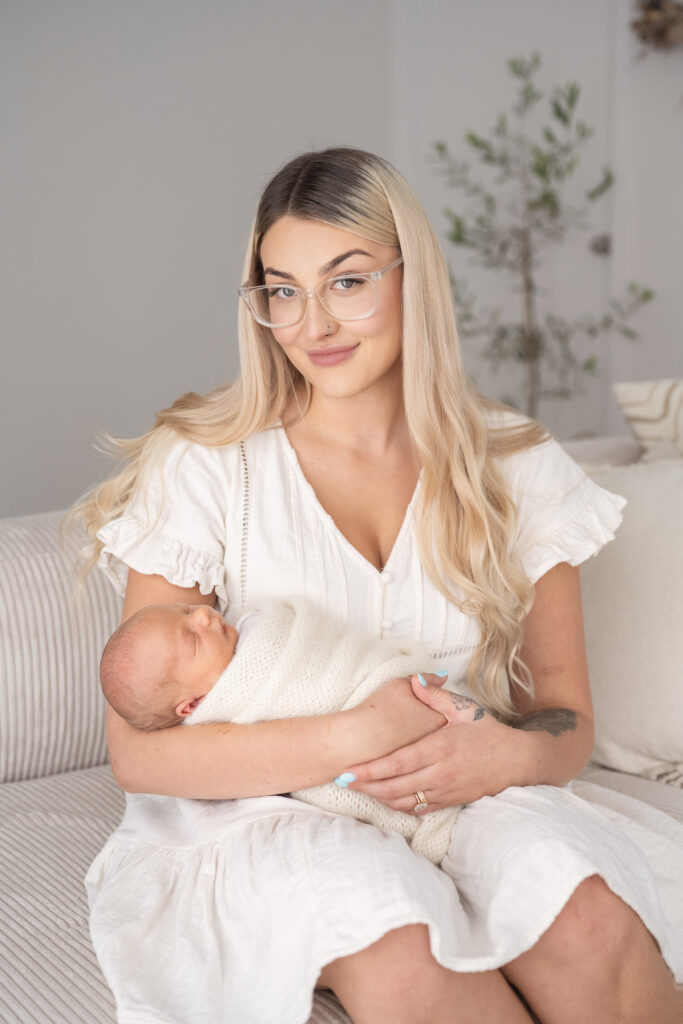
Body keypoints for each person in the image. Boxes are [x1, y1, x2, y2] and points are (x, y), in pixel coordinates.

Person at [75, 147, 683, 1024]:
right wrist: (356, 734)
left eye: (347, 280)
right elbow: (141, 753)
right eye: (282, 289)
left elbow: (563, 717)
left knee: (586, 922)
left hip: (470, 787)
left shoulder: (515, 464)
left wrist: (505, 755)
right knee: (400, 944)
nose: (312, 320)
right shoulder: (206, 466)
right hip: (262, 809)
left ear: (412, 277)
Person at [98, 596, 466, 863]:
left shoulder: (250, 628)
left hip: (382, 681)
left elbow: (320, 648)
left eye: (187, 610)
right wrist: (363, 731)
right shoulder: (227, 714)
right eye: (193, 639)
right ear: (193, 706)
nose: (205, 618)